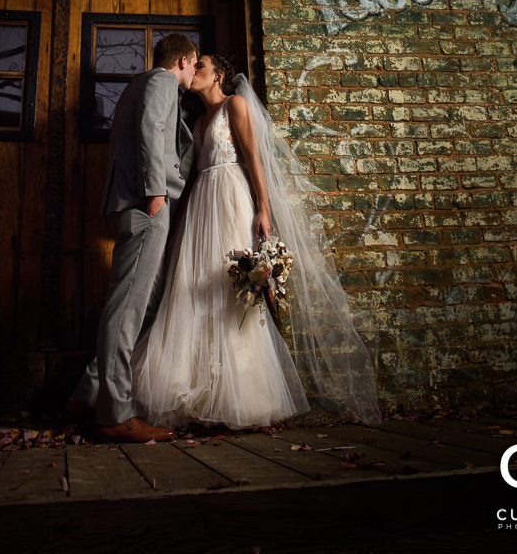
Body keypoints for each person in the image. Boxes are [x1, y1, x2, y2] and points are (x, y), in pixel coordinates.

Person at [132, 54, 381, 430]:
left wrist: (263, 209)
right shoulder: (197, 122)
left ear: (218, 76)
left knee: (227, 289)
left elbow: (253, 160)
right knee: (191, 285)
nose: (194, 71)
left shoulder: (236, 104)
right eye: (193, 65)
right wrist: (176, 227)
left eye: (202, 67)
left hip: (231, 198)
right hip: (202, 205)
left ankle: (238, 397)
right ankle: (198, 392)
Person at [67, 33, 199, 442]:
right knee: (126, 308)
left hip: (140, 207)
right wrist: (155, 192)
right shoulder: (161, 81)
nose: (194, 71)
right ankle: (115, 414)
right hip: (147, 207)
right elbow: (149, 129)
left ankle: (88, 395)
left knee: (147, 302)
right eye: (194, 64)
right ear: (183, 60)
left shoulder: (139, 84)